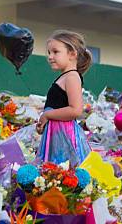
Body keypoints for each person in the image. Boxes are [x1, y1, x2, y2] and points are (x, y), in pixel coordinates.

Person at [36, 30, 92, 166]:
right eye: (49, 52)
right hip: (57, 131)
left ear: (72, 54)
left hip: (64, 134)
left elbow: (75, 110)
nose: (50, 56)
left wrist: (47, 115)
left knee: (62, 169)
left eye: (55, 52)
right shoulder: (66, 76)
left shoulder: (72, 77)